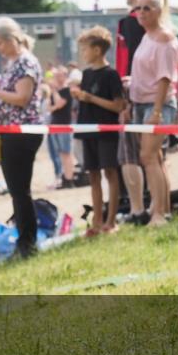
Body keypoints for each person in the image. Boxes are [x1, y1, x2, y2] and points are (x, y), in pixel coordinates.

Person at [0, 17, 44, 259]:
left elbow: (22, 98)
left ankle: (27, 244)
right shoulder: (14, 63)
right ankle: (25, 241)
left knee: (19, 190)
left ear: (12, 39)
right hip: (10, 132)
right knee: (18, 190)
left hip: (21, 132)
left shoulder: (25, 62)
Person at [128, 0, 178, 226]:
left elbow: (164, 77)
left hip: (157, 105)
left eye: (146, 8)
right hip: (142, 104)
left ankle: (158, 214)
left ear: (159, 11)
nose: (141, 12)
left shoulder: (164, 38)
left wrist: (157, 111)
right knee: (155, 158)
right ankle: (163, 210)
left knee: (148, 157)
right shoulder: (147, 36)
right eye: (138, 8)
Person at [71, 26, 125, 234]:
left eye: (85, 49)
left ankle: (111, 221)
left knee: (110, 173)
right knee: (93, 176)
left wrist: (90, 98)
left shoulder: (111, 75)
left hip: (106, 131)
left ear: (97, 50)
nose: (82, 53)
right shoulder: (86, 75)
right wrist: (80, 96)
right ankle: (97, 220)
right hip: (87, 129)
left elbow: (118, 106)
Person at [115, 0, 154, 218]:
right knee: (153, 153)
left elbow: (126, 61)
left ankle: (137, 206)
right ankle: (154, 203)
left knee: (130, 152)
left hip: (132, 89)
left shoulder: (128, 23)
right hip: (153, 90)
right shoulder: (157, 24)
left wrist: (124, 97)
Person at [47, 67, 77, 188]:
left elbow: (59, 104)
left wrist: (54, 91)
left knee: (66, 152)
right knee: (59, 153)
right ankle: (64, 177)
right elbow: (49, 107)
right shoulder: (56, 91)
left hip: (64, 124)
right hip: (55, 124)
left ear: (65, 76)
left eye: (60, 75)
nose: (57, 78)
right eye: (56, 76)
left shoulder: (67, 91)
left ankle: (69, 179)